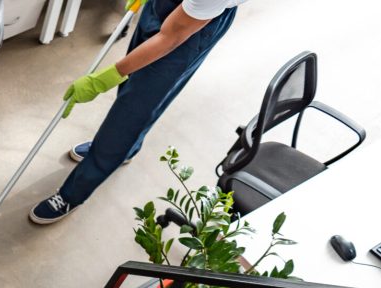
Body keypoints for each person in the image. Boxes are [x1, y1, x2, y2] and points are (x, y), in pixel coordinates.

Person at [29, 0, 245, 224]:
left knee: (131, 114)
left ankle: (72, 194)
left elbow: (170, 38)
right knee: (133, 86)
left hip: (194, 28)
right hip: (175, 7)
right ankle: (127, 149)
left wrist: (105, 78)